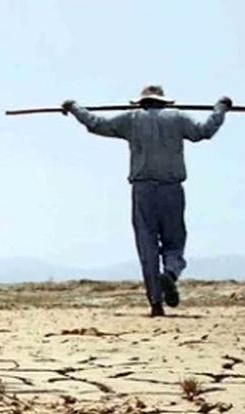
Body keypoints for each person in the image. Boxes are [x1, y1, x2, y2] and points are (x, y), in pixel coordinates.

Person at [63, 85, 232, 317]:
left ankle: (155, 303)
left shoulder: (131, 119)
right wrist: (220, 108)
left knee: (147, 246)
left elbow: (95, 123)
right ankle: (170, 273)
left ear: (141, 102)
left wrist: (74, 107)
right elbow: (204, 131)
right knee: (175, 242)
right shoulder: (178, 117)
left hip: (143, 191)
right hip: (172, 189)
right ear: (164, 102)